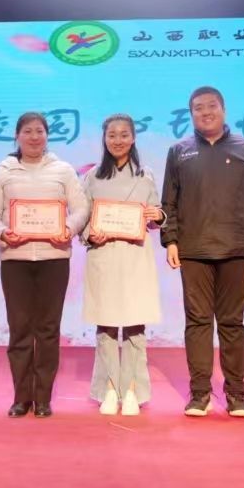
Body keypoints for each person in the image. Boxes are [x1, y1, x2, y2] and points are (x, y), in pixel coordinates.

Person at [161, 85, 244, 418]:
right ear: (190, 113)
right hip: (193, 249)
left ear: (223, 109)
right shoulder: (179, 151)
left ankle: (236, 393)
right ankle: (200, 393)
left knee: (232, 322)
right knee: (197, 322)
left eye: (211, 106)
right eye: (198, 108)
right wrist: (171, 240)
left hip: (236, 247)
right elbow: (169, 202)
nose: (205, 112)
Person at [0, 112, 89, 418]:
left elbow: (81, 208)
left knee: (48, 329)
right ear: (17, 136)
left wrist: (68, 229)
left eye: (39, 131)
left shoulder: (62, 170)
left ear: (47, 135)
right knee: (20, 329)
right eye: (27, 131)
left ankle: (43, 398)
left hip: (54, 259)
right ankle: (21, 397)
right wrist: (3, 233)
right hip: (15, 260)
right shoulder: (4, 171)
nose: (33, 137)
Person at [82, 114, 164, 415]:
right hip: (103, 255)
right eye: (112, 135)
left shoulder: (146, 175)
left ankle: (131, 390)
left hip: (135, 256)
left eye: (124, 134)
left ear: (133, 138)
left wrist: (158, 216)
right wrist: (91, 233)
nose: (118, 140)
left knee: (134, 325)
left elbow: (156, 214)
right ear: (104, 139)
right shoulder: (92, 177)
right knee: (105, 326)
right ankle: (108, 388)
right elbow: (82, 218)